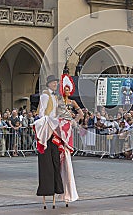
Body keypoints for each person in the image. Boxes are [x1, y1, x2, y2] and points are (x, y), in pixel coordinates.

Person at [52, 73, 84, 207]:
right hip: (59, 127)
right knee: (59, 155)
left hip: (67, 128)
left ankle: (68, 191)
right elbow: (53, 114)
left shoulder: (72, 102)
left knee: (66, 154)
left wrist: (73, 122)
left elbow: (81, 114)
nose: (66, 91)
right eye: (64, 89)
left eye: (68, 89)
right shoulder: (58, 101)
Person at [34, 75, 64, 209]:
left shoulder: (55, 97)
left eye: (56, 83)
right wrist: (49, 123)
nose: (55, 85)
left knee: (55, 162)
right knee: (47, 162)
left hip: (54, 128)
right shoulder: (45, 96)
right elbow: (42, 113)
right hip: (47, 129)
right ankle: (47, 189)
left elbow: (55, 113)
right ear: (49, 84)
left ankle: (56, 187)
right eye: (53, 83)